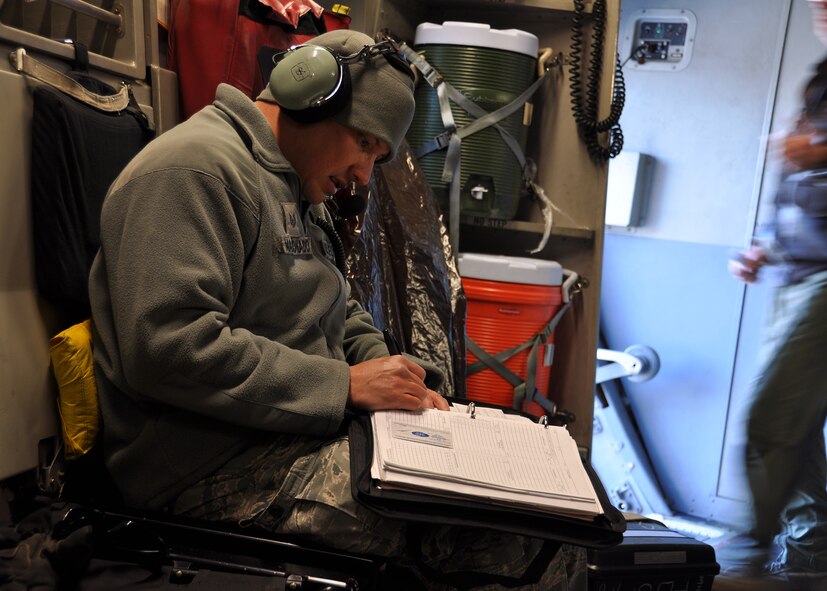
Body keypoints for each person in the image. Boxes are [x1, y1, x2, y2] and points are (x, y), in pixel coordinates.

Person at [88, 29, 582, 589]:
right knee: (517, 541)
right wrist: (344, 386)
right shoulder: (193, 173)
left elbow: (337, 306)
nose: (365, 176)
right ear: (311, 97)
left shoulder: (293, 185)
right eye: (366, 144)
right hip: (209, 469)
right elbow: (169, 347)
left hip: (292, 438)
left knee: (545, 512)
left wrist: (395, 375)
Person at [723, 4, 827, 589]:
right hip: (797, 270)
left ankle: (750, 558)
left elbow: (808, 156)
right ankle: (811, 555)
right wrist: (764, 244)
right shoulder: (821, 79)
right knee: (800, 426)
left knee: (770, 419)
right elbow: (796, 180)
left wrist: (816, 150)